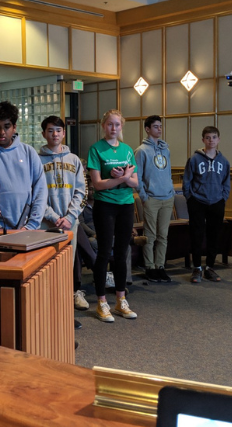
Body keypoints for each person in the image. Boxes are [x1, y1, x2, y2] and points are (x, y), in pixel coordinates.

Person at [86, 109, 139, 323]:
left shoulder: (127, 150)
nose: (113, 128)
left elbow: (135, 183)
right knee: (104, 252)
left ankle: (120, 300)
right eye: (110, 124)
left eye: (117, 124)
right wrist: (121, 178)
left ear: (121, 127)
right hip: (105, 205)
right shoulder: (96, 149)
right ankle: (101, 302)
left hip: (126, 204)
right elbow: (97, 184)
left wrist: (126, 178)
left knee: (122, 253)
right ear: (103, 126)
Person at [38, 116, 90, 309]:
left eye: (58, 130)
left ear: (64, 133)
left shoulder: (74, 160)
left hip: (70, 222)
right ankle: (47, 303)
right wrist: (52, 216)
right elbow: (36, 194)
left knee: (68, 263)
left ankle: (66, 302)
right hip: (46, 222)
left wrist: (70, 217)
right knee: (46, 264)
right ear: (44, 133)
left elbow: (81, 191)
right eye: (50, 130)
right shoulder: (37, 160)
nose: (55, 134)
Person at [0, 101, 46, 231]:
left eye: (6, 126)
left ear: (14, 127)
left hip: (26, 228)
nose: (2, 132)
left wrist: (31, 225)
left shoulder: (29, 152)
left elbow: (41, 191)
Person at [184, 126, 230, 283]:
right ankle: (197, 267)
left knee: (214, 235)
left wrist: (223, 197)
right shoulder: (194, 159)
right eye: (208, 137)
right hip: (197, 201)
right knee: (196, 235)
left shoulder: (224, 161)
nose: (211, 140)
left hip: (217, 202)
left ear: (219, 139)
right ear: (203, 139)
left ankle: (209, 267)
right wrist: (189, 197)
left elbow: (226, 182)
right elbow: (187, 180)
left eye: (214, 137)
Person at [134, 115, 176, 282]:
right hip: (151, 198)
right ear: (147, 129)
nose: (159, 129)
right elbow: (137, 176)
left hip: (167, 197)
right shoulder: (141, 151)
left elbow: (168, 172)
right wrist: (144, 196)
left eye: (160, 126)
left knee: (163, 235)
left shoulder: (166, 149)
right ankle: (149, 266)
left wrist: (171, 189)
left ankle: (160, 266)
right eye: (156, 126)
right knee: (150, 235)